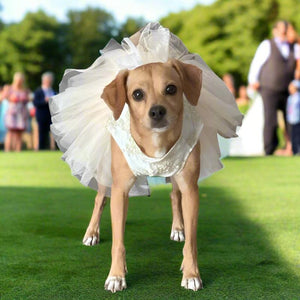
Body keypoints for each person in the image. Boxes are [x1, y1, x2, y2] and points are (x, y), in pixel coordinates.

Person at [248, 20, 300, 155]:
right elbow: (256, 63)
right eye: (281, 30)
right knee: (270, 119)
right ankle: (269, 149)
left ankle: (294, 147)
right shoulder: (267, 45)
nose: (283, 33)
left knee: (291, 119)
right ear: (275, 31)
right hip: (269, 87)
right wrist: (253, 79)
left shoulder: (293, 47)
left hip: (288, 89)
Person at [0, 72, 30, 152]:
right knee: (10, 131)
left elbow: (28, 99)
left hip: (21, 113)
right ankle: (7, 150)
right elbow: (2, 97)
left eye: (21, 80)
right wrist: (10, 98)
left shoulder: (25, 89)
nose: (19, 82)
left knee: (19, 132)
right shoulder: (9, 88)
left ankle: (18, 150)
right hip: (12, 112)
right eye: (18, 80)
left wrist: (24, 99)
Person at [33, 72, 55, 150]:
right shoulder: (38, 91)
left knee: (52, 132)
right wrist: (44, 101)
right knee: (42, 132)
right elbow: (35, 102)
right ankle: (41, 148)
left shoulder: (52, 91)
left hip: (51, 115)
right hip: (41, 115)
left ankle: (51, 147)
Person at [287, 71, 300, 155]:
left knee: (298, 135)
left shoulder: (298, 97)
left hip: (298, 119)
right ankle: (295, 150)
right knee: (293, 136)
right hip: (291, 119)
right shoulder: (290, 98)